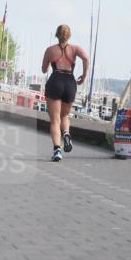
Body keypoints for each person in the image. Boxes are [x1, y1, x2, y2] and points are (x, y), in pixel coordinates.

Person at [41, 25, 89, 161]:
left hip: (55, 81)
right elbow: (86, 58)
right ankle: (66, 133)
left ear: (57, 35)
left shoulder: (50, 50)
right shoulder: (76, 49)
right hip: (69, 82)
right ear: (69, 35)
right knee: (65, 115)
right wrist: (84, 75)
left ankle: (57, 150)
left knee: (55, 120)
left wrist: (49, 64)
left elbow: (44, 69)